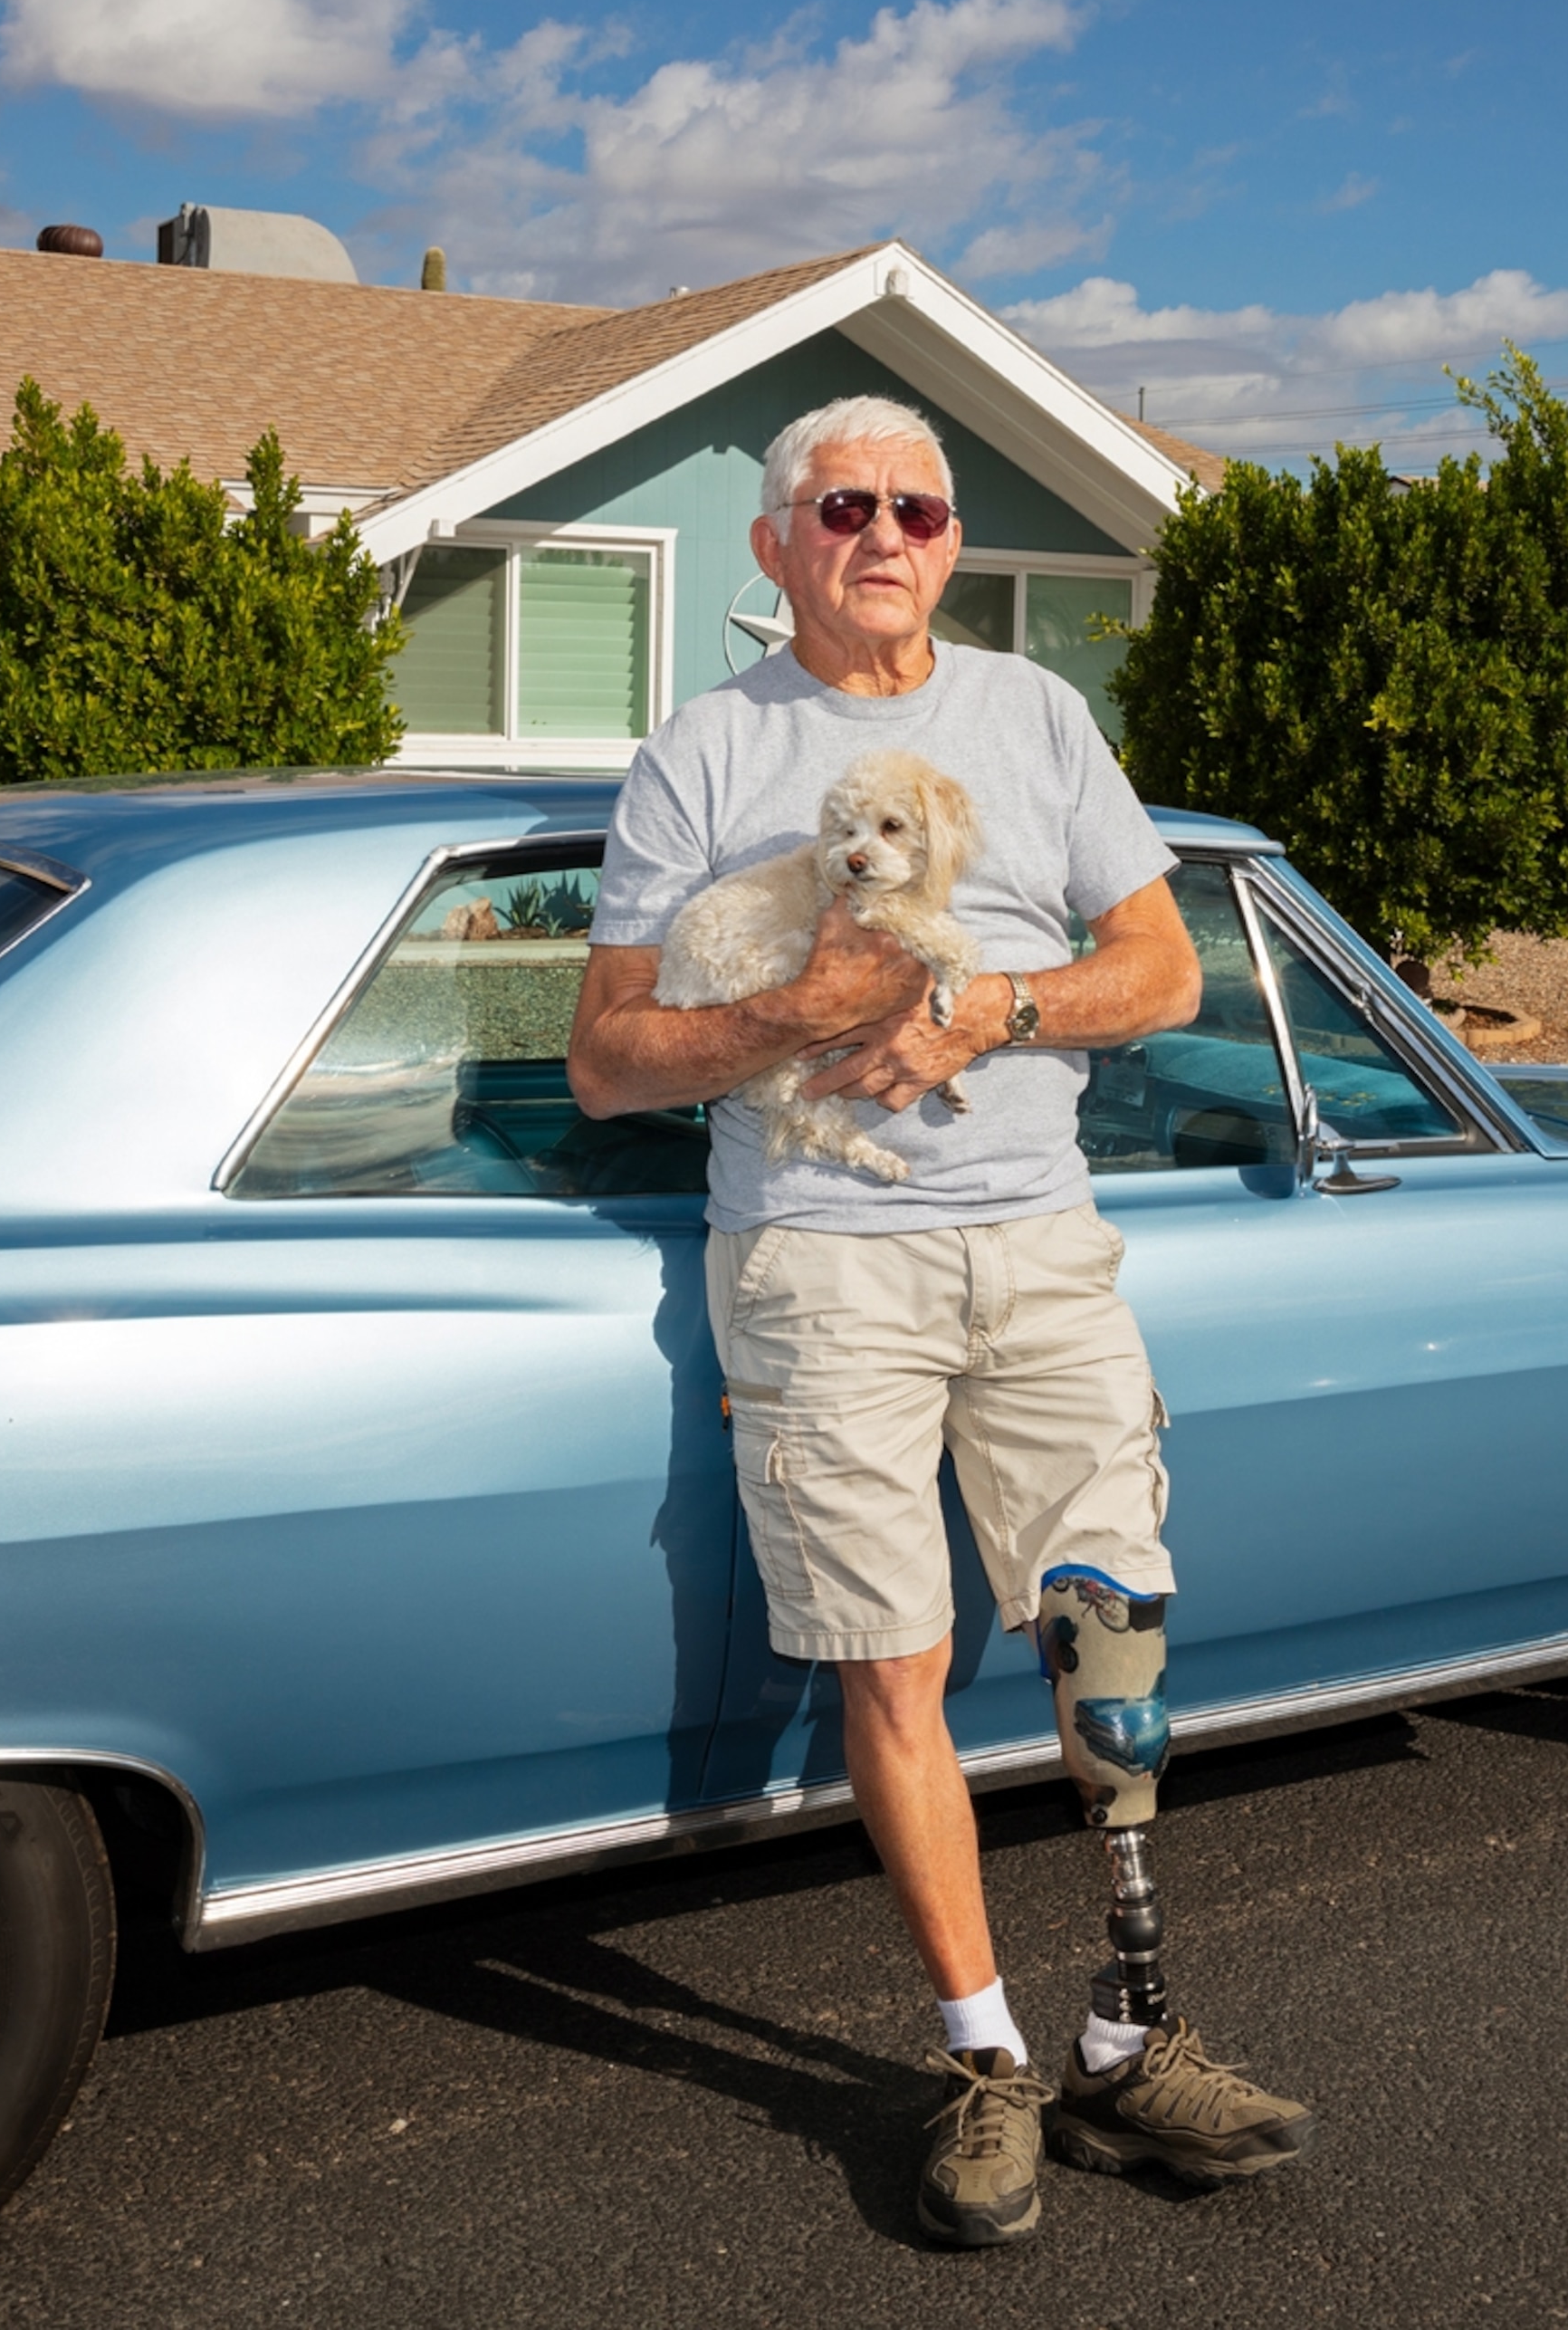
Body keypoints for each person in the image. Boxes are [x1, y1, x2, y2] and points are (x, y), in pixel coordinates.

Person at [568, 393, 1314, 2247]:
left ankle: (1130, 2032)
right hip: (824, 1258)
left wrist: (994, 1014)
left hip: (1040, 1239)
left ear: (952, 539)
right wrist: (802, 1010)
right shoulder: (701, 752)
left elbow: (1159, 967)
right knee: (890, 1659)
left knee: (1109, 1637)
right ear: (775, 546)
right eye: (840, 507)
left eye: (914, 505)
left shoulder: (1041, 719)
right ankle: (987, 2060)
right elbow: (602, 1059)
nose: (880, 534)